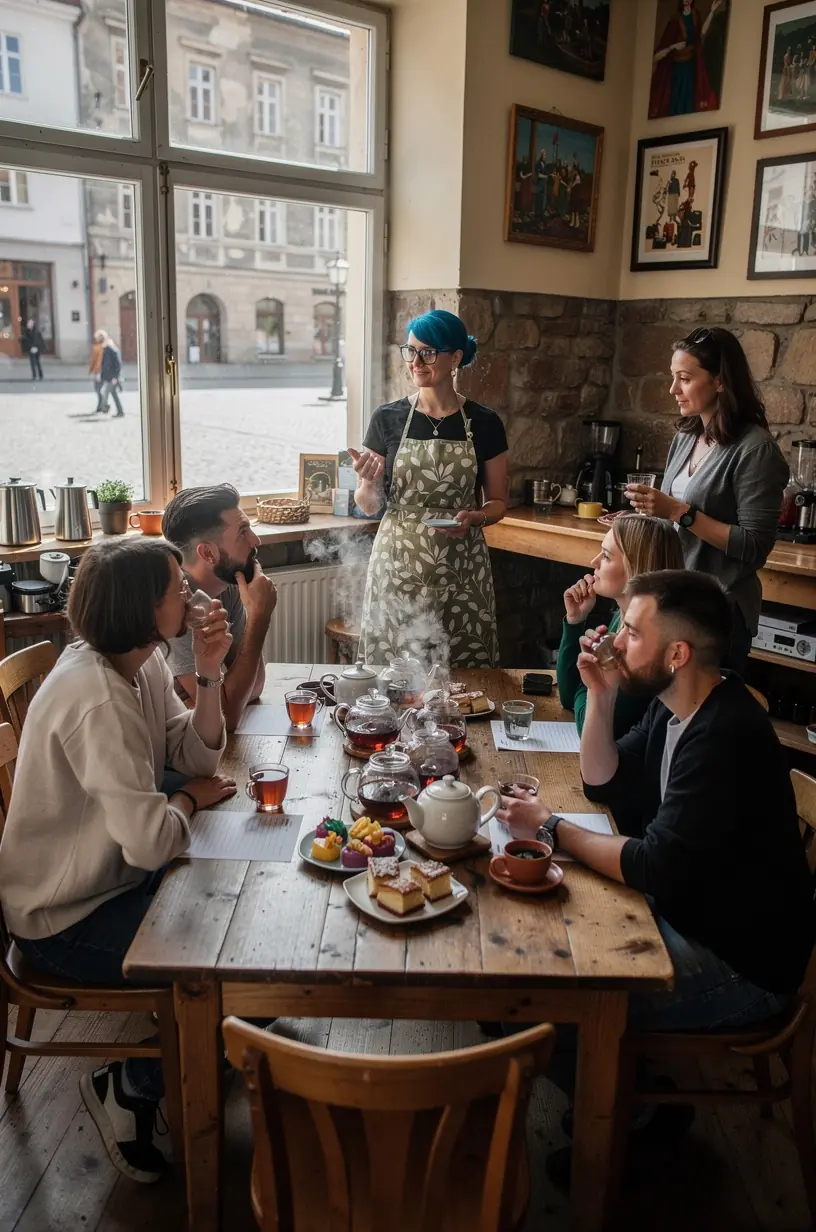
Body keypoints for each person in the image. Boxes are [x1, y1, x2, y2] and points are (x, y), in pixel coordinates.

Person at [499, 570, 814, 1172]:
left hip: (744, 964)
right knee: (532, 958)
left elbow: (654, 866)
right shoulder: (676, 710)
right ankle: (637, 1095)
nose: (616, 641)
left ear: (678, 654)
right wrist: (601, 695)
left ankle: (634, 1122)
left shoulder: (722, 734)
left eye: (633, 633)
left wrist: (552, 826)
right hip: (692, 912)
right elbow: (604, 781)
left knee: (545, 1005)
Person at [0, 537, 236, 1182]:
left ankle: (204, 1049)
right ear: (142, 610)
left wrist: (209, 672)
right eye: (177, 589)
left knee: (243, 905)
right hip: (63, 919)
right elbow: (153, 840)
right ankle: (132, 1083)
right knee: (237, 967)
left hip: (111, 875)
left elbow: (196, 756)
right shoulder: (98, 698)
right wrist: (186, 799)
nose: (190, 595)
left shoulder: (143, 662)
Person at [624, 327, 788, 673]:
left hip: (718, 611)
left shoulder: (756, 450)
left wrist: (678, 512)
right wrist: (642, 516)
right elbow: (672, 521)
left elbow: (754, 545)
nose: (673, 389)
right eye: (673, 377)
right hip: (674, 602)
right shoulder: (687, 436)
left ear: (720, 381)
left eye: (685, 378)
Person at [351, 309, 508, 667]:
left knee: (465, 672)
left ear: (455, 358)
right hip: (397, 566)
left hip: (462, 566)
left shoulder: (485, 423)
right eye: (411, 351)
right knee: (393, 672)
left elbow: (498, 502)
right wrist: (369, 481)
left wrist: (476, 518)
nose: (416, 362)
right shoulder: (387, 418)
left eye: (428, 352)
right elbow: (369, 505)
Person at [162, 484, 277, 731]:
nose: (255, 540)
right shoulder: (176, 604)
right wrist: (259, 617)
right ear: (208, 552)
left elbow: (254, 688)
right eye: (243, 532)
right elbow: (226, 718)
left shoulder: (227, 587)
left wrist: (229, 697)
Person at [557, 514, 683, 737]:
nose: (593, 562)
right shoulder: (620, 619)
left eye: (606, 556)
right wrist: (575, 621)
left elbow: (590, 727)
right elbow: (567, 698)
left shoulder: (647, 642)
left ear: (635, 567)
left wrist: (589, 687)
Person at [649, 0, 723, 119]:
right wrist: (674, 47)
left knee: (689, 97)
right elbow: (659, 53)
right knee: (676, 96)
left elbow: (701, 34)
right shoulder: (675, 20)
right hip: (677, 67)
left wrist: (712, 12)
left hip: (691, 65)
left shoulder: (695, 15)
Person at [99, 334, 124, 416]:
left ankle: (105, 407)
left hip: (112, 377)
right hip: (112, 377)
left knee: (106, 392)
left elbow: (110, 366)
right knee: (113, 393)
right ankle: (119, 411)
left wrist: (115, 377)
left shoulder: (109, 352)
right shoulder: (113, 351)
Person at [89, 329, 106, 412]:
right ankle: (101, 405)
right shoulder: (98, 347)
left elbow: (98, 360)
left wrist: (97, 371)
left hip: (100, 371)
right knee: (98, 389)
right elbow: (93, 360)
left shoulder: (101, 348)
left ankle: (103, 405)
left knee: (98, 389)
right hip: (99, 371)